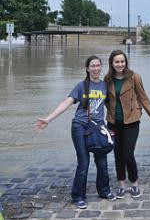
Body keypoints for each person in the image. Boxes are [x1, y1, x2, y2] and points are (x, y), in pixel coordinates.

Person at [34, 56, 116, 210]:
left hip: (98, 129)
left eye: (98, 65)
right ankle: (78, 196)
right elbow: (66, 103)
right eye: (93, 66)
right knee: (84, 163)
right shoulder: (81, 86)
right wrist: (48, 119)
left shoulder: (106, 86)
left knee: (102, 162)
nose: (96, 68)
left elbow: (114, 104)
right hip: (80, 127)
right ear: (87, 68)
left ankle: (104, 191)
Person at [104, 49, 150, 199]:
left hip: (131, 121)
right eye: (116, 62)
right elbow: (103, 101)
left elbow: (143, 99)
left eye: (122, 61)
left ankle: (134, 183)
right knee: (118, 154)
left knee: (128, 154)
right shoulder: (107, 79)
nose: (120, 64)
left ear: (126, 62)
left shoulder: (134, 77)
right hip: (113, 122)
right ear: (112, 63)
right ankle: (121, 184)